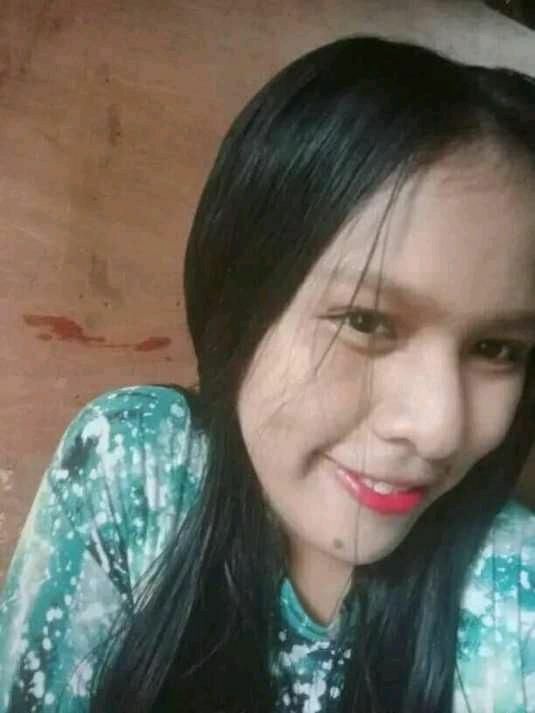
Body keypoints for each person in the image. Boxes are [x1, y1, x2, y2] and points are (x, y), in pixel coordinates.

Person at [1, 35, 535, 713]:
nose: (439, 429)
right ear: (241, 300)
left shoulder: (513, 595)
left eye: (496, 348)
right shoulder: (138, 468)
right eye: (366, 320)